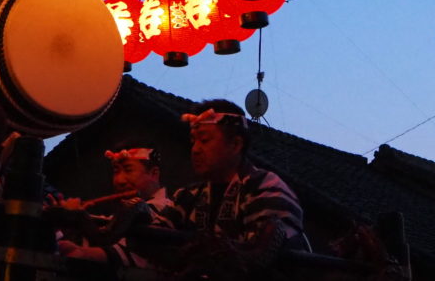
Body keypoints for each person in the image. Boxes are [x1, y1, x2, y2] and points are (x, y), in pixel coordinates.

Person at [166, 99, 305, 250]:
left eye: (204, 140)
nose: (195, 149)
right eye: (193, 141)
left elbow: (262, 256)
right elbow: (156, 236)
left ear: (235, 144)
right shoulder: (187, 196)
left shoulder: (267, 189)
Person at [57, 144, 174, 265]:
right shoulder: (122, 216)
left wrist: (79, 216)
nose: (119, 180)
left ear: (154, 174)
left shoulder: (168, 213)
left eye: (128, 170)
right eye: (116, 171)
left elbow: (123, 252)